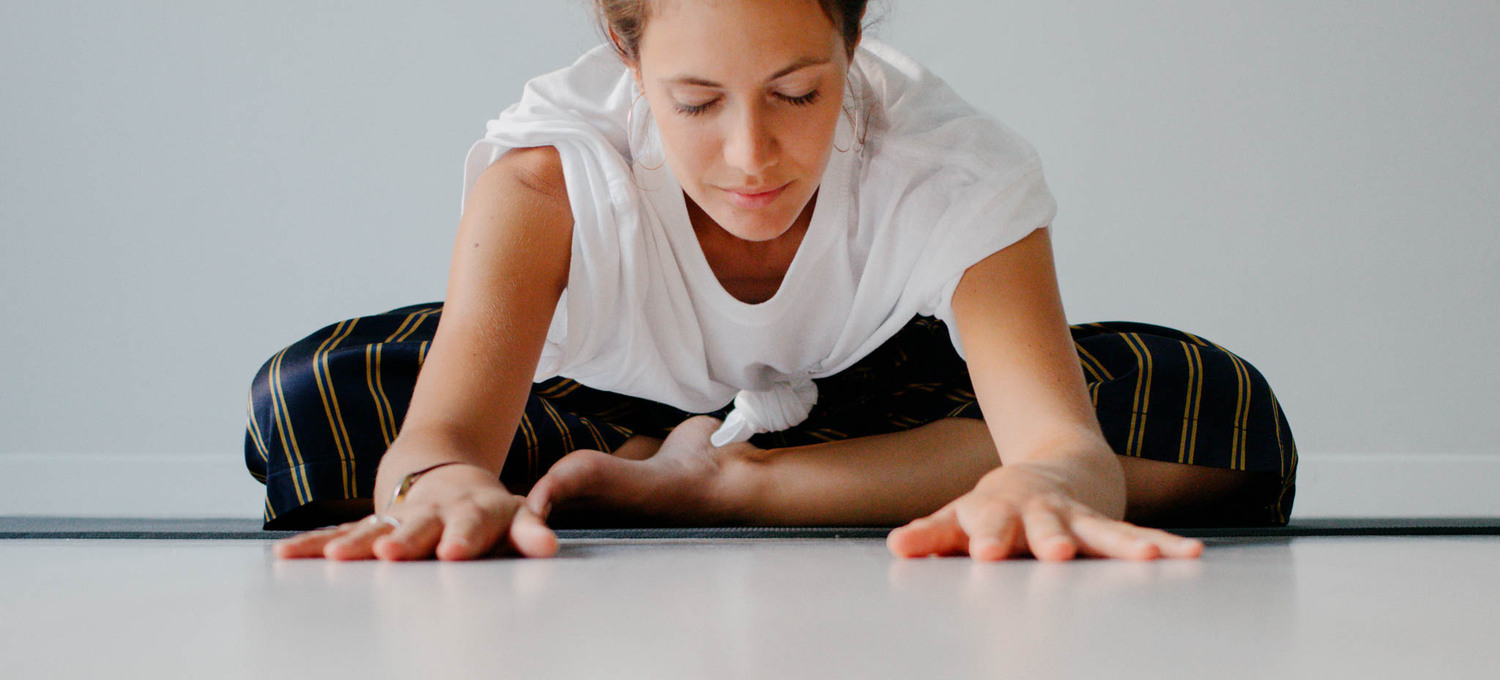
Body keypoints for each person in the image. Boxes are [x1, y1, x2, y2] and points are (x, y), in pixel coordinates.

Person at [251, 0, 1296, 562]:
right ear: (625, 49)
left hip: (881, 395)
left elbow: (1066, 444)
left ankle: (723, 480)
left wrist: (1047, 479)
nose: (752, 154)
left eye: (797, 92)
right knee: (311, 403)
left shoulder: (944, 164)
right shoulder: (547, 174)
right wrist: (444, 486)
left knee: (1219, 405)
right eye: (697, 101)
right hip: (600, 402)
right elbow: (437, 440)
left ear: (852, 35)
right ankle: (632, 460)